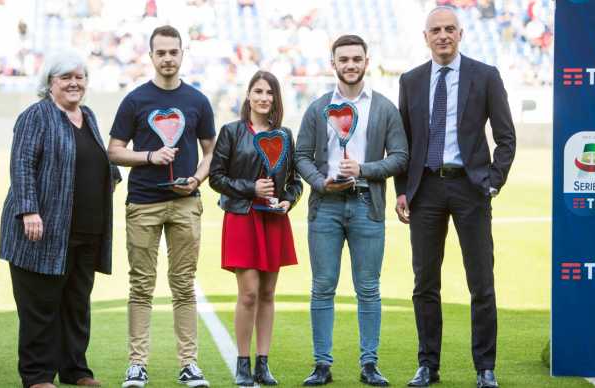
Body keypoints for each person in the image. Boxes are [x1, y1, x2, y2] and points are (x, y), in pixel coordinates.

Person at [394, 6, 516, 388]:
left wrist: (492, 181)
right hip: (425, 189)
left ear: (461, 34)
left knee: (481, 282)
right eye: (436, 30)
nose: (443, 35)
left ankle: (485, 368)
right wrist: (401, 190)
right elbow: (405, 142)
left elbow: (506, 137)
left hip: (470, 188)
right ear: (425, 37)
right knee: (424, 283)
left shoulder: (485, 76)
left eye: (450, 29)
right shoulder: (411, 80)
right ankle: (427, 366)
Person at [0, 50, 120, 388]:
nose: (73, 83)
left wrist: (110, 177)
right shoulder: (36, 115)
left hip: (85, 232)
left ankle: (75, 370)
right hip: (42, 230)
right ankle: (38, 375)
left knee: (76, 304)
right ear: (50, 83)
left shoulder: (89, 115)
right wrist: (29, 210)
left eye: (79, 77)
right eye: (65, 77)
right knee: (40, 306)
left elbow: (95, 158)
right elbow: (21, 164)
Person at [295, 34, 408, 387]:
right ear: (333, 64)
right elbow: (301, 156)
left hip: (366, 204)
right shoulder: (317, 108)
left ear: (366, 61)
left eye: (356, 59)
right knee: (322, 287)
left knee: (369, 288)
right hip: (325, 207)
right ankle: (322, 365)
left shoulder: (384, 107)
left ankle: (369, 364)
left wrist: (364, 170)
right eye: (343, 59)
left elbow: (400, 157)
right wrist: (320, 182)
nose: (350, 65)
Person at [107, 25, 216, 388]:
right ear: (151, 56)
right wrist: (150, 155)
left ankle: (189, 364)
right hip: (143, 204)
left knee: (183, 286)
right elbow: (114, 150)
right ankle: (137, 365)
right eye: (161, 52)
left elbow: (211, 152)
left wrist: (197, 180)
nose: (167, 58)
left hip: (186, 204)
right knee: (141, 286)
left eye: (173, 52)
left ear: (182, 54)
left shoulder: (198, 100)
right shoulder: (135, 100)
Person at [209, 70, 303, 386]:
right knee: (248, 294)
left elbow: (294, 182)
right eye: (258, 91)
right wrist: (252, 189)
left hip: (273, 220)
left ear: (275, 98)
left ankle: (263, 364)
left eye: (270, 92)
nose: (264, 97)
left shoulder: (285, 135)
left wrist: (287, 201)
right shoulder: (232, 132)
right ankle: (242, 363)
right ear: (248, 95)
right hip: (241, 217)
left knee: (268, 293)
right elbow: (216, 178)